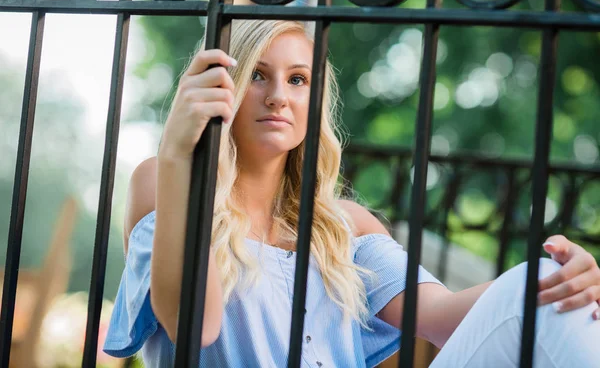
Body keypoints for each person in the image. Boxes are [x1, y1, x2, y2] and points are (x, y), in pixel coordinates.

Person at [103, 20, 600, 367]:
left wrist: (560, 279)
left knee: (551, 283)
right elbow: (195, 329)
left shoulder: (344, 224)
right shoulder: (166, 177)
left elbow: (447, 320)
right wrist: (178, 153)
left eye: (298, 80)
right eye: (258, 74)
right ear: (221, 86)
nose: (279, 95)